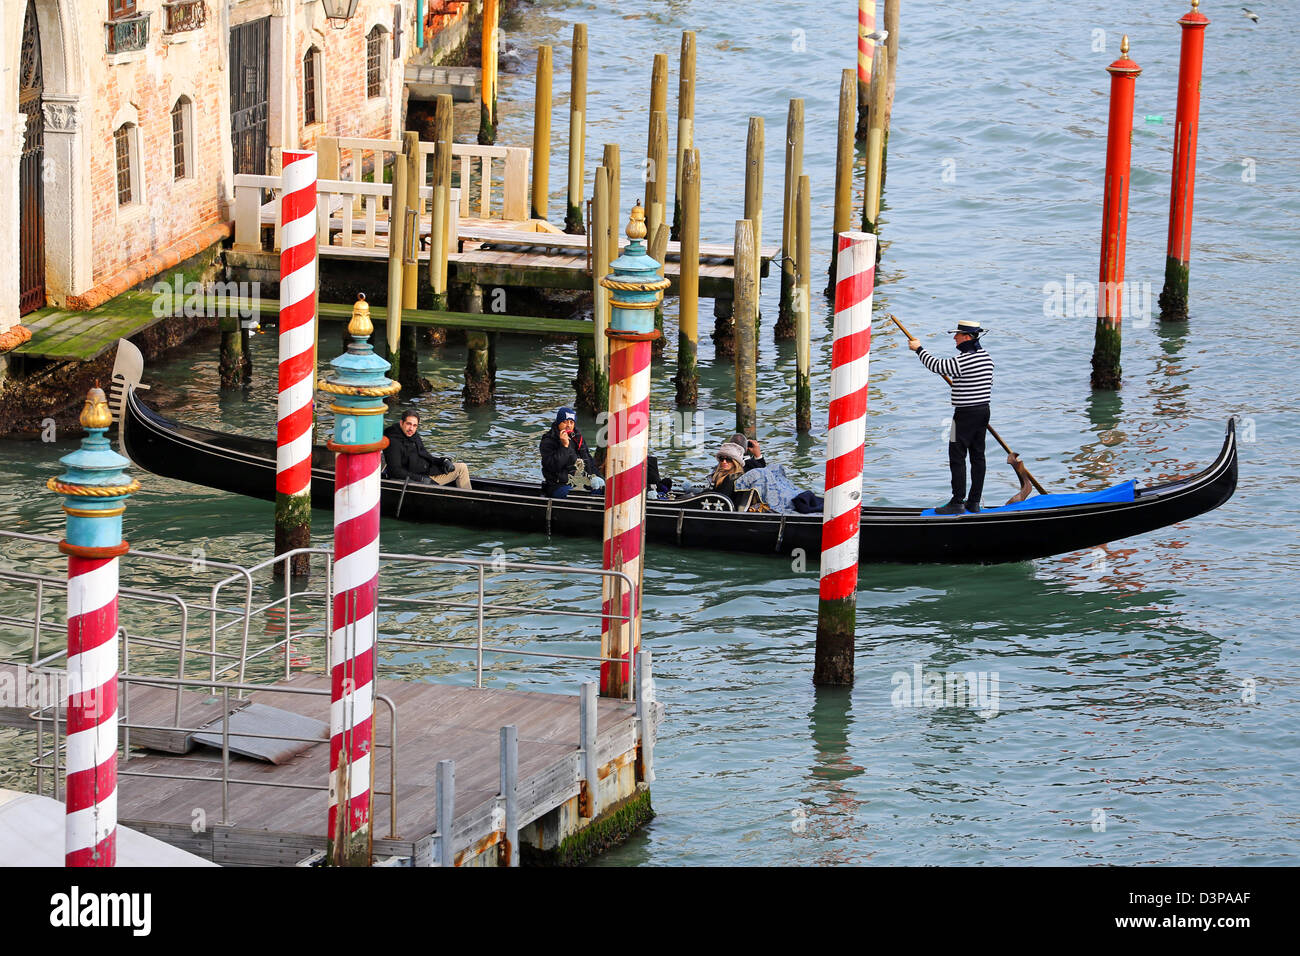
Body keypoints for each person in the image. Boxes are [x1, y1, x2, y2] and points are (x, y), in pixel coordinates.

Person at [908, 319, 993, 514]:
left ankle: (957, 501)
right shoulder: (986, 357)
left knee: (956, 454)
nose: (954, 338)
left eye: (957, 334)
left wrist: (919, 349)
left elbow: (936, 365)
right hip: (983, 412)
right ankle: (974, 502)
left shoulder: (964, 360)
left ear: (967, 337)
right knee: (978, 456)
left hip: (964, 414)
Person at [382, 409, 472, 489]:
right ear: (401, 423)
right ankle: (469, 503)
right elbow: (395, 470)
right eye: (408, 424)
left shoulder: (413, 436)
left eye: (414, 425)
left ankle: (469, 498)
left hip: (427, 472)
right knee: (461, 470)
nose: (411, 428)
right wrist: (421, 479)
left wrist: (443, 461)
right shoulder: (393, 442)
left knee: (461, 467)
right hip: (415, 480)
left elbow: (426, 455)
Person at [540, 406, 600, 498]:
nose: (568, 425)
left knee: (603, 490)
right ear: (558, 423)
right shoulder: (548, 440)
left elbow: (588, 460)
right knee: (575, 495)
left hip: (581, 481)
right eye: (565, 422)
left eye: (571, 422)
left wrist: (596, 477)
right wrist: (565, 446)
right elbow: (553, 466)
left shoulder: (578, 438)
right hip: (558, 485)